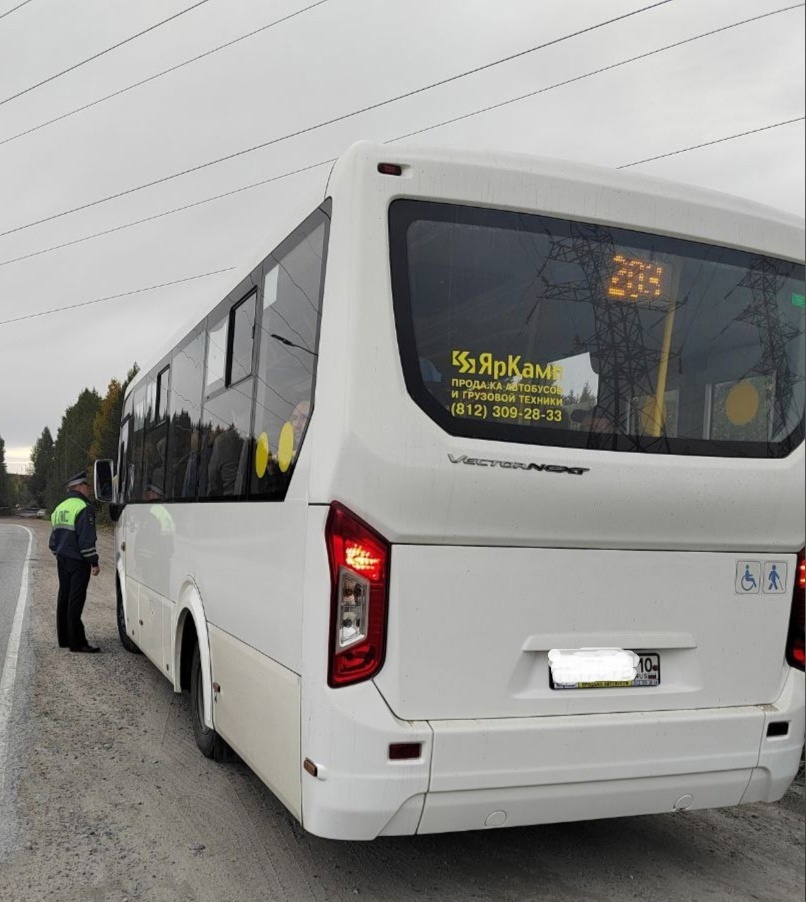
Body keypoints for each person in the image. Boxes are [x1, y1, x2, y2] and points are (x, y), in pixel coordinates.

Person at [48, 470, 101, 653]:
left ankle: (64, 639)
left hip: (62, 559)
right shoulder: (84, 508)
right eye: (86, 485)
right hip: (78, 561)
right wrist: (93, 562)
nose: (88, 489)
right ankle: (77, 643)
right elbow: (87, 539)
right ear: (79, 487)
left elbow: (53, 542)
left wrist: (61, 554)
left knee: (64, 596)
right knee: (75, 600)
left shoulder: (60, 508)